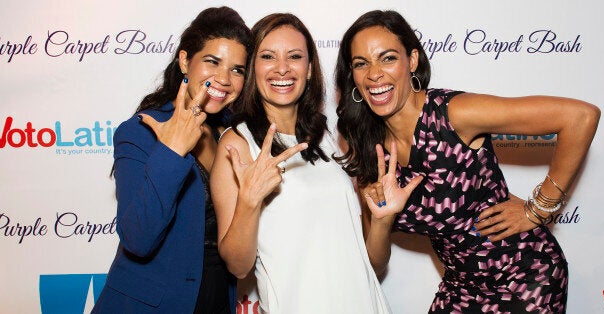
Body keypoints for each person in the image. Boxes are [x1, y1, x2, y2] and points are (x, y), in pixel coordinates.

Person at [334, 10, 600, 314]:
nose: (374, 74)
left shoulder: (453, 115)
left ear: (413, 61)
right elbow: (376, 265)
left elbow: (580, 117)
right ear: (352, 75)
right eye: (360, 63)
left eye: (388, 58)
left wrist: (539, 209)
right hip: (461, 285)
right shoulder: (370, 149)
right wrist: (381, 221)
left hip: (524, 274)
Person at [210, 13, 390, 314]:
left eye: (295, 56)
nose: (282, 68)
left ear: (309, 70)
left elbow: (372, 263)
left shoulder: (328, 136)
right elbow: (238, 266)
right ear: (253, 67)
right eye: (268, 56)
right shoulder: (238, 143)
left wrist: (382, 221)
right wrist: (249, 201)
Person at [92, 7, 251, 313]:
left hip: (217, 297)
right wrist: (172, 152)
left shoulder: (234, 135)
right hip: (153, 305)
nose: (224, 78)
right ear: (184, 61)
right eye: (212, 62)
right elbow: (138, 239)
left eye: (237, 69)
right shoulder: (141, 132)